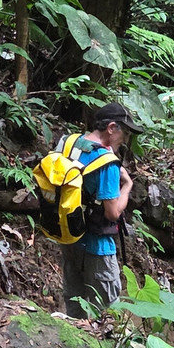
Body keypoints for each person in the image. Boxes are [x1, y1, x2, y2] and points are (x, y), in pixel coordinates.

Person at [57, 102, 142, 318]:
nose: (125, 140)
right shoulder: (107, 163)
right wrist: (127, 186)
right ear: (112, 128)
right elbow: (112, 213)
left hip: (68, 235)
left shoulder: (69, 143)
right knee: (107, 312)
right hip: (97, 246)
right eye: (125, 132)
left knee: (74, 301)